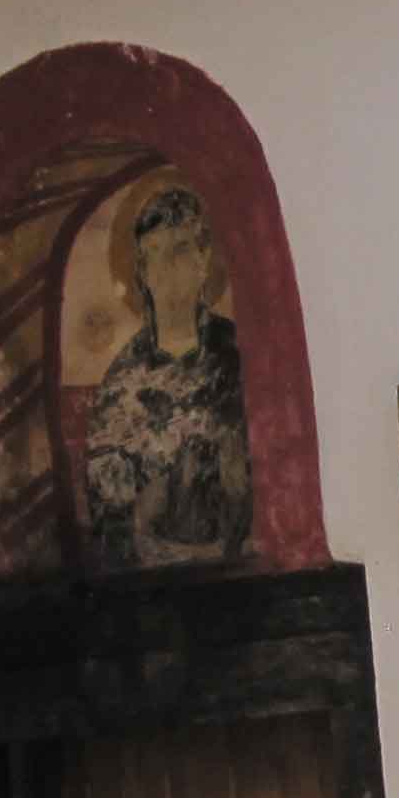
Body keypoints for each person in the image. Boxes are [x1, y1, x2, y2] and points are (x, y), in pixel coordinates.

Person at [83, 180, 252, 568]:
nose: (166, 270)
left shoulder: (238, 354)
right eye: (153, 255)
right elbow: (107, 505)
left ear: (203, 260)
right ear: (141, 272)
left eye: (179, 250)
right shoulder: (123, 378)